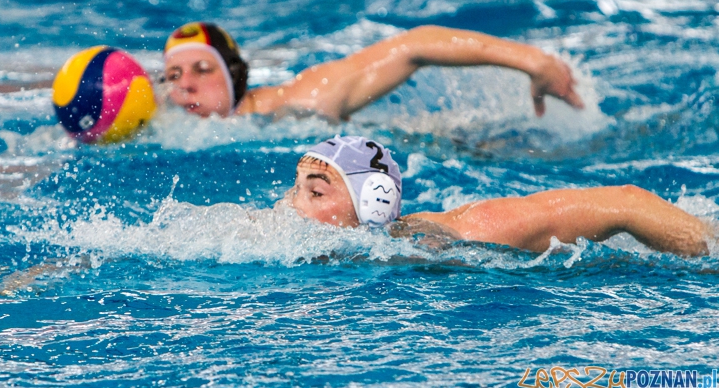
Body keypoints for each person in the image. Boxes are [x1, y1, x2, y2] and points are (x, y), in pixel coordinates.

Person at [282, 136, 713, 257]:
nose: (292, 206)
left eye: (316, 192)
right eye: (294, 188)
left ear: (372, 206)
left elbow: (628, 201)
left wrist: (708, 253)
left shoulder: (469, 231)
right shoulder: (282, 237)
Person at [161, 22, 585, 120]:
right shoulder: (158, 122)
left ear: (235, 75)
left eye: (202, 68)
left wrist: (534, 60)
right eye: (174, 76)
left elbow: (414, 45)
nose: (188, 85)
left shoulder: (300, 100)